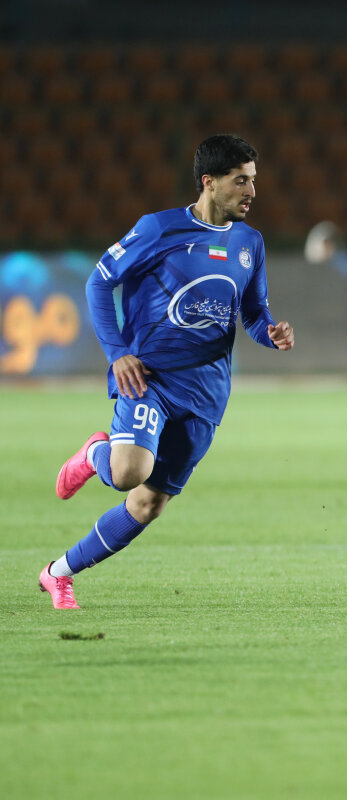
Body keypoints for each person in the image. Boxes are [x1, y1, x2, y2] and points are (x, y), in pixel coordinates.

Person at [40, 134, 294, 610]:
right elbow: (99, 282)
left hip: (207, 392)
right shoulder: (158, 229)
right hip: (149, 377)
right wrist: (117, 352)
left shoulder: (250, 243)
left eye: (253, 181)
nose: (252, 192)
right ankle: (96, 453)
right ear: (209, 182)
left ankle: (58, 574)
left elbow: (253, 311)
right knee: (127, 472)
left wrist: (271, 333)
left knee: (148, 504)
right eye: (241, 181)